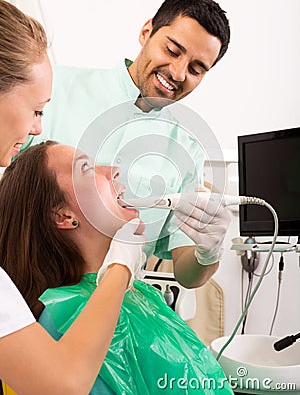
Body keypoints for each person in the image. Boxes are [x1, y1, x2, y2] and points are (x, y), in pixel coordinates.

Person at [24, 0, 231, 289]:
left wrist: (209, 251)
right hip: (22, 292)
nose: (178, 73)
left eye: (196, 69)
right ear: (146, 32)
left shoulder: (185, 149)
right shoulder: (56, 87)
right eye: (173, 51)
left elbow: (187, 274)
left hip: (116, 312)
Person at [0, 141, 234, 395]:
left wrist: (209, 252)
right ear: (64, 217)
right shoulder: (64, 321)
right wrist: (120, 267)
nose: (114, 170)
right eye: (86, 169)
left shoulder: (139, 295)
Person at [0, 0, 146, 395]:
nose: (34, 128)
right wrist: (121, 268)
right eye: (36, 109)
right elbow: (61, 384)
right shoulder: (59, 320)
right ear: (62, 215)